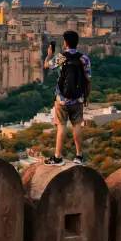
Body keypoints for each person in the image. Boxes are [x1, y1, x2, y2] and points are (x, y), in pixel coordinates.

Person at [43, 30, 91, 166]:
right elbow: (88, 80)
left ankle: (58, 157)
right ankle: (79, 156)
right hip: (78, 98)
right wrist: (86, 96)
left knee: (61, 126)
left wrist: (49, 55)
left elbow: (46, 66)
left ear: (65, 43)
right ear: (77, 42)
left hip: (62, 99)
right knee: (77, 125)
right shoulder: (84, 58)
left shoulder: (61, 57)